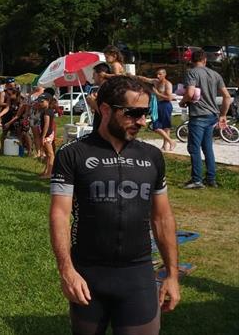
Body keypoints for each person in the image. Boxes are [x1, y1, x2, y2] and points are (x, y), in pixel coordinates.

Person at [49, 75, 179, 335]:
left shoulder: (151, 156)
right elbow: (60, 215)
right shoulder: (73, 154)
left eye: (145, 113)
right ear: (106, 110)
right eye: (133, 113)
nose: (142, 121)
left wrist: (172, 275)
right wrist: (66, 270)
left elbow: (162, 218)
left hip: (138, 274)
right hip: (88, 274)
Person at [179, 49, 233, 189]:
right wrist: (223, 115)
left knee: (194, 148)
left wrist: (182, 101)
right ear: (205, 60)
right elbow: (227, 97)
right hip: (212, 116)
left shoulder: (191, 72)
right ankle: (211, 178)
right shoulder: (215, 74)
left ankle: (196, 180)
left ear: (192, 60)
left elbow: (190, 93)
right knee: (208, 148)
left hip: (198, 116)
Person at [140, 68, 175, 152]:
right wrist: (132, 76)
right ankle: (171, 141)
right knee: (156, 126)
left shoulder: (167, 84)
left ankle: (165, 145)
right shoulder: (155, 81)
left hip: (165, 105)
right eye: (157, 74)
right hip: (157, 105)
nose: (157, 76)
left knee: (166, 126)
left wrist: (157, 93)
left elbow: (170, 98)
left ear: (164, 75)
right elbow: (144, 79)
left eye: (160, 74)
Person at [37, 94, 56, 178]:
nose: (40, 103)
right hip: (48, 134)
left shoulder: (47, 111)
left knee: (50, 154)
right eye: (39, 101)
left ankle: (50, 173)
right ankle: (46, 171)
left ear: (48, 101)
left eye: (42, 101)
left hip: (47, 134)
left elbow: (46, 124)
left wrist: (43, 136)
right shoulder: (46, 110)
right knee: (48, 154)